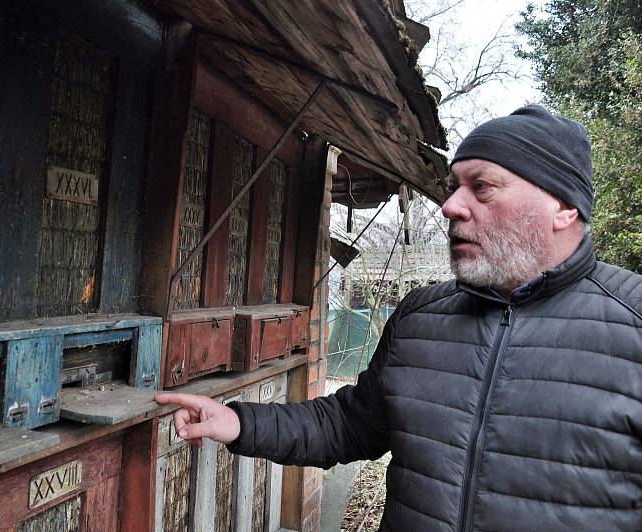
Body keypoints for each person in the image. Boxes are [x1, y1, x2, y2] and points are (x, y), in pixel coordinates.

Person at [155, 105, 642, 531]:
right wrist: (238, 423)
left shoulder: (632, 322)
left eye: (482, 188)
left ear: (562, 207)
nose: (451, 206)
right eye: (454, 187)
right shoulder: (422, 316)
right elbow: (351, 425)